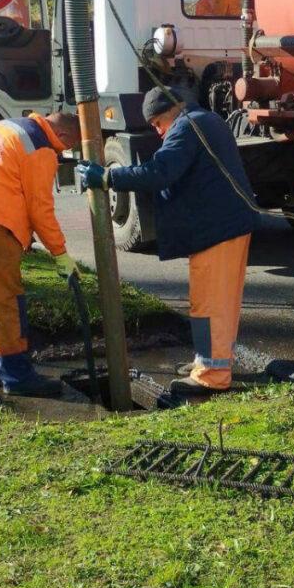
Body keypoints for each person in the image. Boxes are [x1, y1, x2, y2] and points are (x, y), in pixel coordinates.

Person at [78, 87, 254, 399]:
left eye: (157, 124)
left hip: (217, 229)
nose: (158, 132)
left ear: (169, 112)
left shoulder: (186, 127)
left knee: (210, 304)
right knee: (216, 302)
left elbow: (161, 172)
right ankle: (207, 362)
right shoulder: (206, 120)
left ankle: (212, 376)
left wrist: (108, 178)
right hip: (225, 225)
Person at [0, 110, 81, 397]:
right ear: (65, 135)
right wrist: (60, 254)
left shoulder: (7, 127)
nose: (65, 152)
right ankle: (17, 377)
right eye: (69, 147)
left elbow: (3, 180)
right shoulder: (41, 148)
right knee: (6, 299)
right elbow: (40, 209)